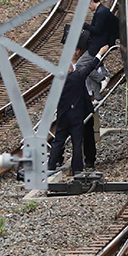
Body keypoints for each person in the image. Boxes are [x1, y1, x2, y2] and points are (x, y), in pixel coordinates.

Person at [49, 39, 110, 173]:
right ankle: (77, 168)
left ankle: (51, 165)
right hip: (76, 114)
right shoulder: (77, 76)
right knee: (77, 142)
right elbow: (90, 67)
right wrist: (100, 53)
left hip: (63, 114)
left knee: (58, 140)